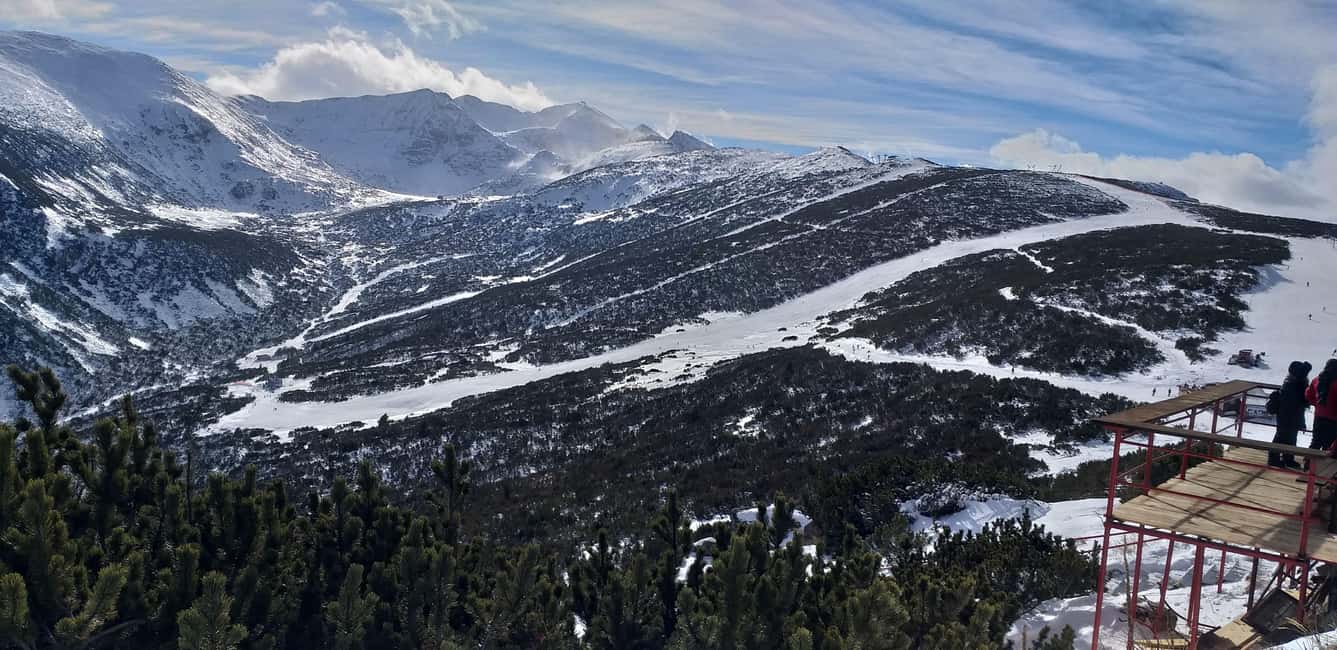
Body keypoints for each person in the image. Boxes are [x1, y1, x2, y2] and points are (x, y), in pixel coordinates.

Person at [1271, 361, 1312, 468]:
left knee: (1290, 437)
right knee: (1282, 437)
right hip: (1288, 416)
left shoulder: (1293, 383)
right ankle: (1274, 459)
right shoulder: (1294, 385)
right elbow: (1301, 401)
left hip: (1290, 415)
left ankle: (1288, 458)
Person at [1309, 359, 1337, 453]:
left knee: (1315, 442)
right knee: (1329, 445)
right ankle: (1323, 463)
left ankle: (1309, 461)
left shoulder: (1317, 379)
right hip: (1333, 418)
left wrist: (1317, 405)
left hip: (1319, 416)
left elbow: (1308, 395)